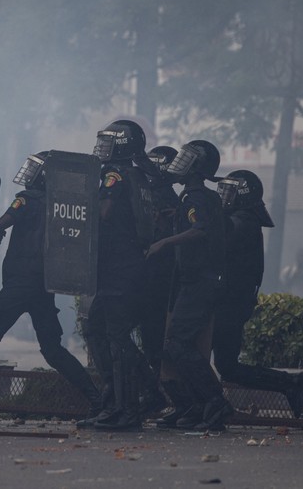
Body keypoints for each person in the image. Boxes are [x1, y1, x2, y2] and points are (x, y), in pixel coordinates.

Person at [0, 152, 102, 430]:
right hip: (44, 285)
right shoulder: (58, 206)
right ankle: (98, 401)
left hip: (20, 283)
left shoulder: (27, 199)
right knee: (52, 350)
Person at [147, 139, 233, 432]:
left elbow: (201, 229)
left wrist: (164, 242)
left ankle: (214, 402)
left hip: (200, 282)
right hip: (193, 282)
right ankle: (198, 405)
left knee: (177, 343)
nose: (178, 163)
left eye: (186, 159)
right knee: (178, 344)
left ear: (197, 168)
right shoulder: (192, 198)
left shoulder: (196, 198)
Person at [81, 120, 157, 431]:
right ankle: (120, 402)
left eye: (109, 141)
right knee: (97, 329)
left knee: (115, 336)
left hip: (120, 269)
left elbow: (103, 213)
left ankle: (129, 409)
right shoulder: (139, 175)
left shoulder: (116, 175)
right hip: (125, 268)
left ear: (122, 145)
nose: (102, 146)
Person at [213, 170, 303, 417]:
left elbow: (223, 239)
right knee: (224, 365)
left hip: (230, 303)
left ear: (243, 196)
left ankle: (214, 407)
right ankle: (287, 384)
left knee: (218, 363)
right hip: (229, 301)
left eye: (230, 192)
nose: (224, 197)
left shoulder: (243, 221)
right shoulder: (241, 218)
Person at [136, 146, 181, 414]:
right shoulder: (155, 193)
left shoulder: (166, 198)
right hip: (150, 277)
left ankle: (165, 397)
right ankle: (154, 394)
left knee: (154, 344)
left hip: (158, 278)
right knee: (149, 341)